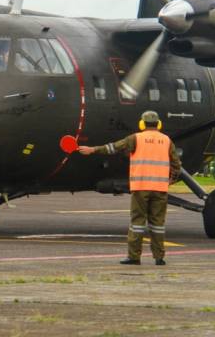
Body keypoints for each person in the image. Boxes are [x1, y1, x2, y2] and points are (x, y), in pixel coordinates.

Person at [78, 111, 182, 266]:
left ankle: (134, 257)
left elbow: (114, 147)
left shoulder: (136, 138)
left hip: (141, 187)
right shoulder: (167, 141)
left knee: (137, 223)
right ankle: (159, 257)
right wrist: (170, 181)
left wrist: (93, 149)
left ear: (142, 124)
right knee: (158, 224)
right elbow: (176, 165)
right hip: (160, 188)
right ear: (158, 124)